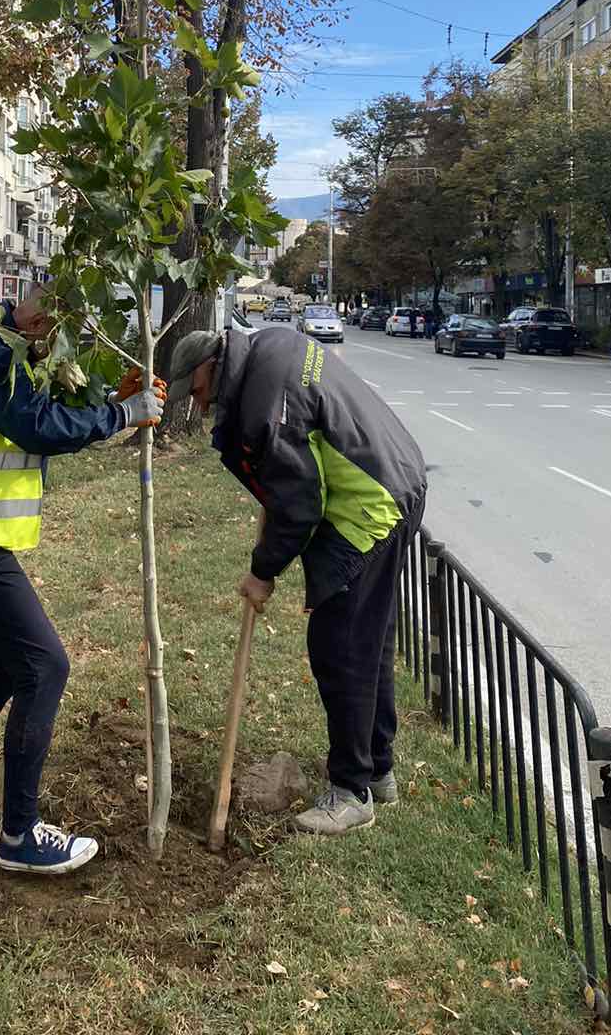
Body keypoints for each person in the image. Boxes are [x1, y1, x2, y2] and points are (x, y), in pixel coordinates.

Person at [0, 288, 164, 876]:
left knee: (1, 669)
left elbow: (44, 412)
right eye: (57, 322)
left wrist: (112, 402)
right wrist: (125, 414)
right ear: (37, 311)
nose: (56, 337)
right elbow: (35, 426)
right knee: (45, 667)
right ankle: (20, 836)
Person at [167, 325, 427, 836]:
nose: (197, 406)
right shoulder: (270, 349)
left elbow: (300, 504)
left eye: (194, 390)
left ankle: (352, 792)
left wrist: (263, 572)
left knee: (341, 647)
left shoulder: (265, 402)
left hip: (368, 506)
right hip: (399, 477)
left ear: (209, 366)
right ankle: (378, 771)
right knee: (368, 644)